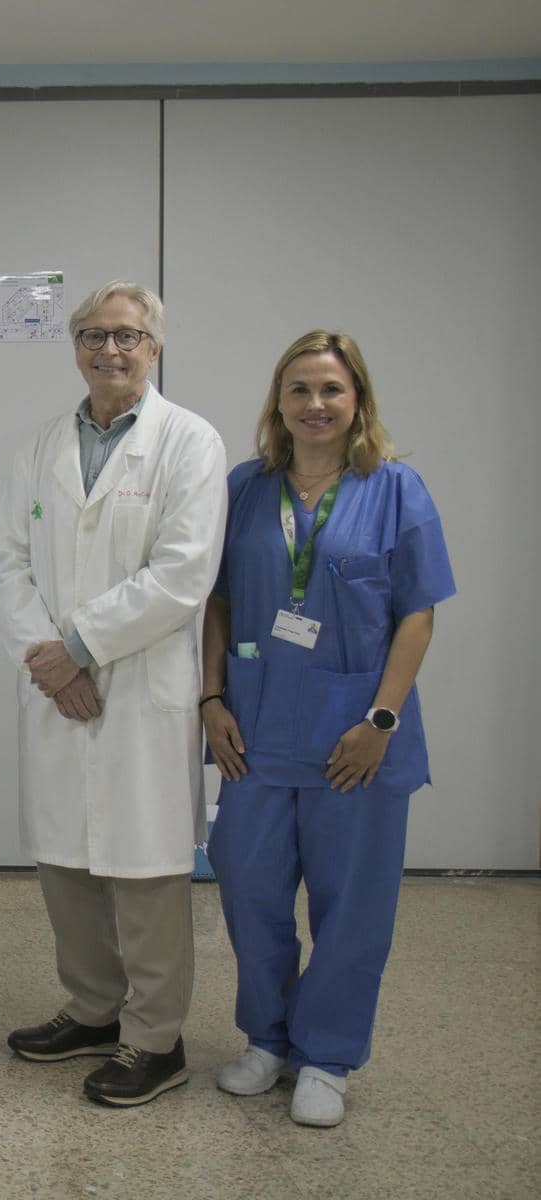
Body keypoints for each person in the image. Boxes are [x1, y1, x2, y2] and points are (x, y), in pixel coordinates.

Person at [202, 331, 452, 1128]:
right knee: (249, 891)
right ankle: (267, 1039)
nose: (315, 405)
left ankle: (327, 1055)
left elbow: (416, 614)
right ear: (277, 401)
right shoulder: (243, 489)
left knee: (351, 908)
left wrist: (379, 719)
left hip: (357, 741)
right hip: (255, 733)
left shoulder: (395, 489)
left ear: (357, 403)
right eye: (299, 389)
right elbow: (213, 601)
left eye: (331, 390)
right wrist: (209, 699)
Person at [0, 280, 227, 1107]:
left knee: (145, 870)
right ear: (75, 346)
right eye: (92, 334)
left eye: (126, 336)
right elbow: (7, 564)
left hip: (137, 688)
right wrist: (47, 659)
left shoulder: (188, 443)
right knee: (66, 860)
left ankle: (155, 1039)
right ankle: (91, 1010)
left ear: (153, 348)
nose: (108, 350)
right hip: (58, 689)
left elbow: (183, 573)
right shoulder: (40, 446)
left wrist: (80, 648)